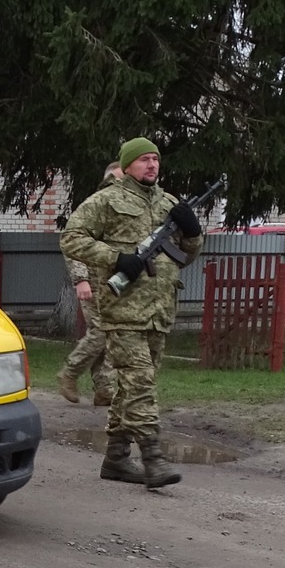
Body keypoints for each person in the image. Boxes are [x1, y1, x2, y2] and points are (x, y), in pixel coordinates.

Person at [60, 137, 203, 487]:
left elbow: (186, 256)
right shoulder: (106, 200)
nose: (152, 165)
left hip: (158, 310)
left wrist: (194, 231)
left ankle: (116, 459)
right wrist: (116, 258)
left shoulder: (170, 203)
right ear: (127, 166)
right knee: (140, 384)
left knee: (131, 386)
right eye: (144, 160)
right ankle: (154, 459)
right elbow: (72, 238)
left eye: (155, 159)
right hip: (122, 309)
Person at [58, 163, 118, 407]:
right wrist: (81, 279)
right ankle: (70, 372)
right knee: (102, 330)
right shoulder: (97, 204)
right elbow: (73, 243)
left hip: (116, 281)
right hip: (93, 279)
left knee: (110, 334)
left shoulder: (126, 207)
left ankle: (104, 389)